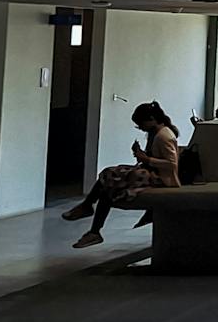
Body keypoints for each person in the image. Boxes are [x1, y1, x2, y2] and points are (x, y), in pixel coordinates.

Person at [62, 102, 180, 248]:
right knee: (109, 181)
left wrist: (146, 159)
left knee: (110, 176)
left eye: (140, 124)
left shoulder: (164, 136)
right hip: (152, 173)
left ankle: (89, 213)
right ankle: (92, 225)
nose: (141, 128)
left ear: (151, 119)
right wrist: (141, 155)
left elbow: (172, 164)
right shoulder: (156, 134)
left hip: (161, 179)